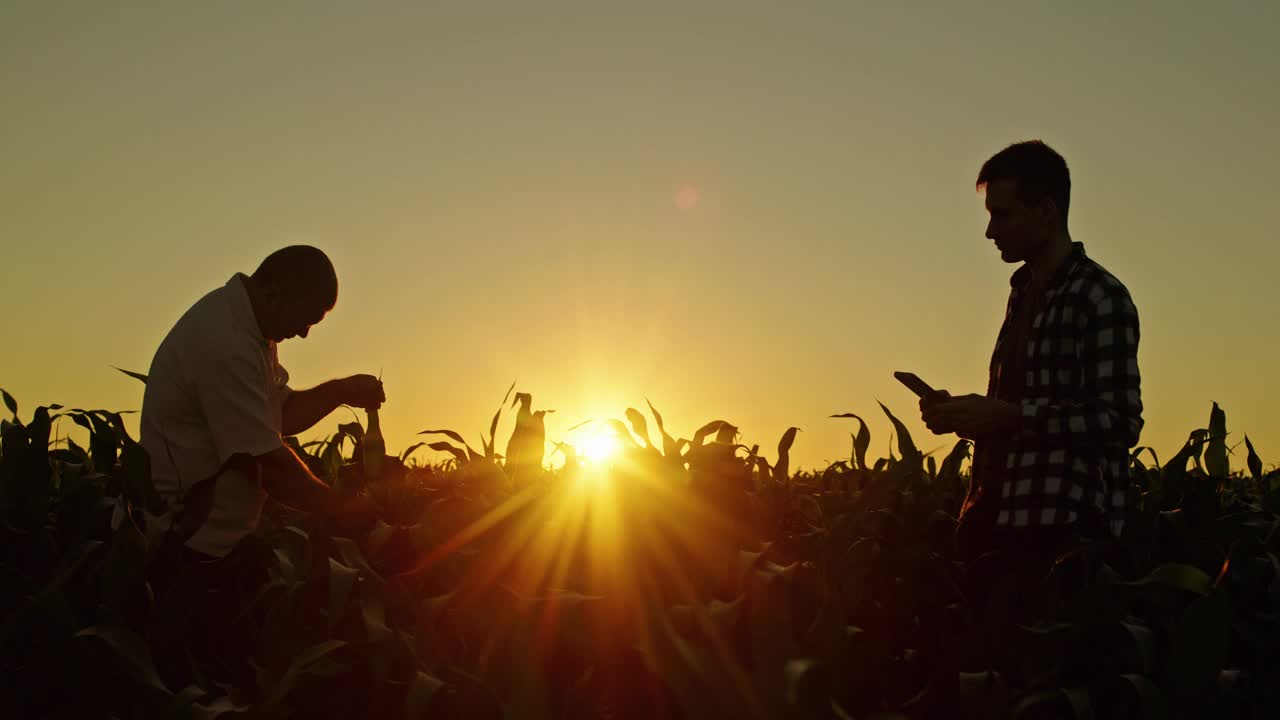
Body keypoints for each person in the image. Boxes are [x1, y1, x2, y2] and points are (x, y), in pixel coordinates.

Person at [139, 245, 384, 685]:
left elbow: (280, 414)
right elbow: (265, 460)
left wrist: (341, 390)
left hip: (219, 544)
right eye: (306, 320)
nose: (305, 334)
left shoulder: (251, 331)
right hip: (188, 546)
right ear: (274, 295)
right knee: (199, 683)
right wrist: (346, 511)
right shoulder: (225, 343)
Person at [918, 141, 1143, 587]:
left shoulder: (1099, 297)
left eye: (1001, 215)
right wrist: (966, 415)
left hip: (1063, 537)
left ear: (1045, 209)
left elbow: (1119, 422)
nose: (989, 232)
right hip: (997, 521)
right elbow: (1018, 415)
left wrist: (1008, 416)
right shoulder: (1022, 295)